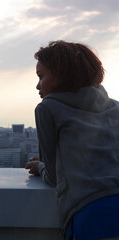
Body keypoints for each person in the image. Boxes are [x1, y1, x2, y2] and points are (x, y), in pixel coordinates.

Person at [25, 40, 119, 240]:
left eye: (41, 77)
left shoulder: (48, 108)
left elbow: (53, 178)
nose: (37, 86)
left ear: (61, 76)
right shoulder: (115, 107)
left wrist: (39, 167)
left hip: (91, 211)